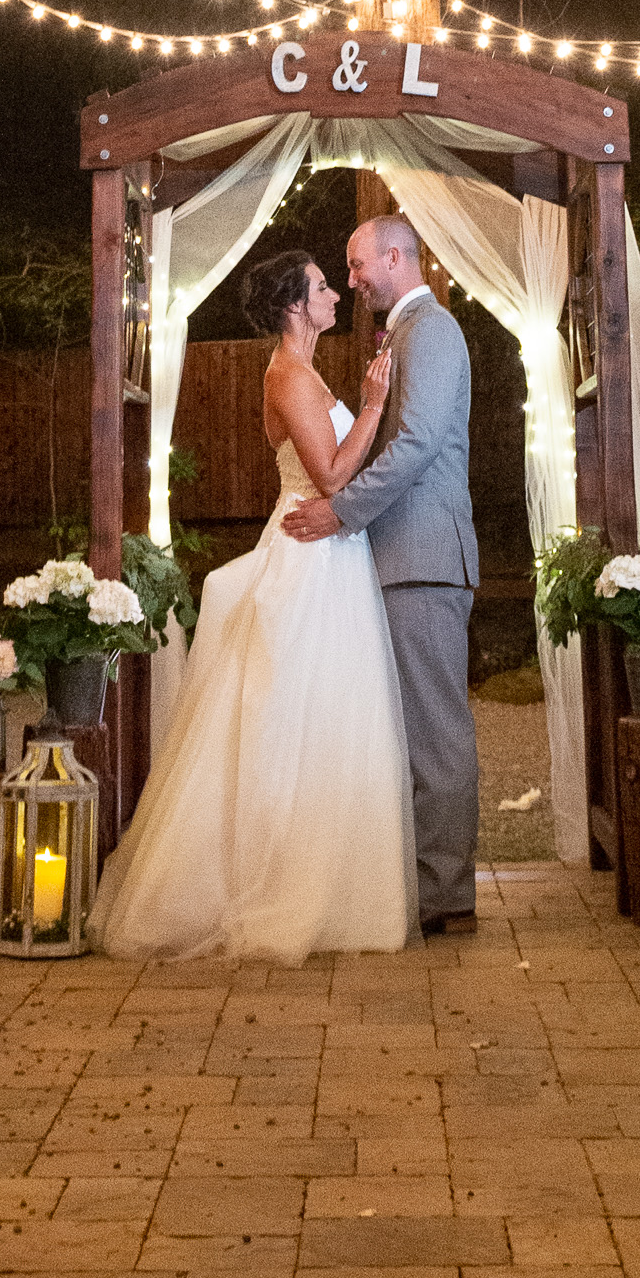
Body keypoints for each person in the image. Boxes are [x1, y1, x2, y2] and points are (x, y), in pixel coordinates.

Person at [86, 246, 417, 963]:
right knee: (288, 716)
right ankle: (271, 886)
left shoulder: (302, 368)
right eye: (324, 287)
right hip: (309, 551)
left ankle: (335, 889)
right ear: (296, 305)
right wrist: (370, 407)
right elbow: (329, 476)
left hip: (331, 552)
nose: (336, 295)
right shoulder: (288, 375)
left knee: (331, 717)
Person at [283, 215, 481, 935]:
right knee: (407, 732)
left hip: (423, 556)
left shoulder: (430, 330)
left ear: (395, 257)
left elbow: (422, 440)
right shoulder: (404, 333)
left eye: (358, 262)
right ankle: (420, 883)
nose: (354, 277)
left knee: (435, 734)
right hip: (401, 557)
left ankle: (446, 897)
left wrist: (343, 511)